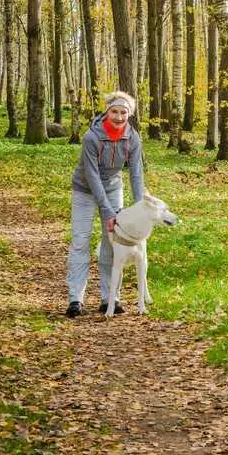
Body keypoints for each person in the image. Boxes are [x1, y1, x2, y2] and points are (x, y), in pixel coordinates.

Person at [65, 91, 144, 317]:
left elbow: (136, 174)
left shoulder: (133, 138)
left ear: (129, 114)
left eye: (124, 112)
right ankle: (75, 299)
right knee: (81, 240)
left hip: (113, 187)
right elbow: (91, 176)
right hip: (85, 189)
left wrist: (139, 208)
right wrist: (109, 212)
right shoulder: (92, 137)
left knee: (112, 243)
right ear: (107, 112)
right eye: (114, 111)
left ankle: (110, 298)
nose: (119, 117)